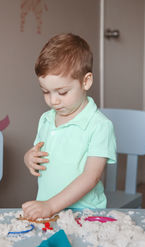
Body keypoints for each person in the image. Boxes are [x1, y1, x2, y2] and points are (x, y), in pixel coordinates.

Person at [22, 33, 116, 220]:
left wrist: (50, 206)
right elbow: (39, 152)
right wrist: (29, 158)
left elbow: (91, 177)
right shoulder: (46, 120)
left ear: (86, 81)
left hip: (85, 215)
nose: (54, 100)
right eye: (46, 92)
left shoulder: (100, 126)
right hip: (49, 211)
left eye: (62, 92)